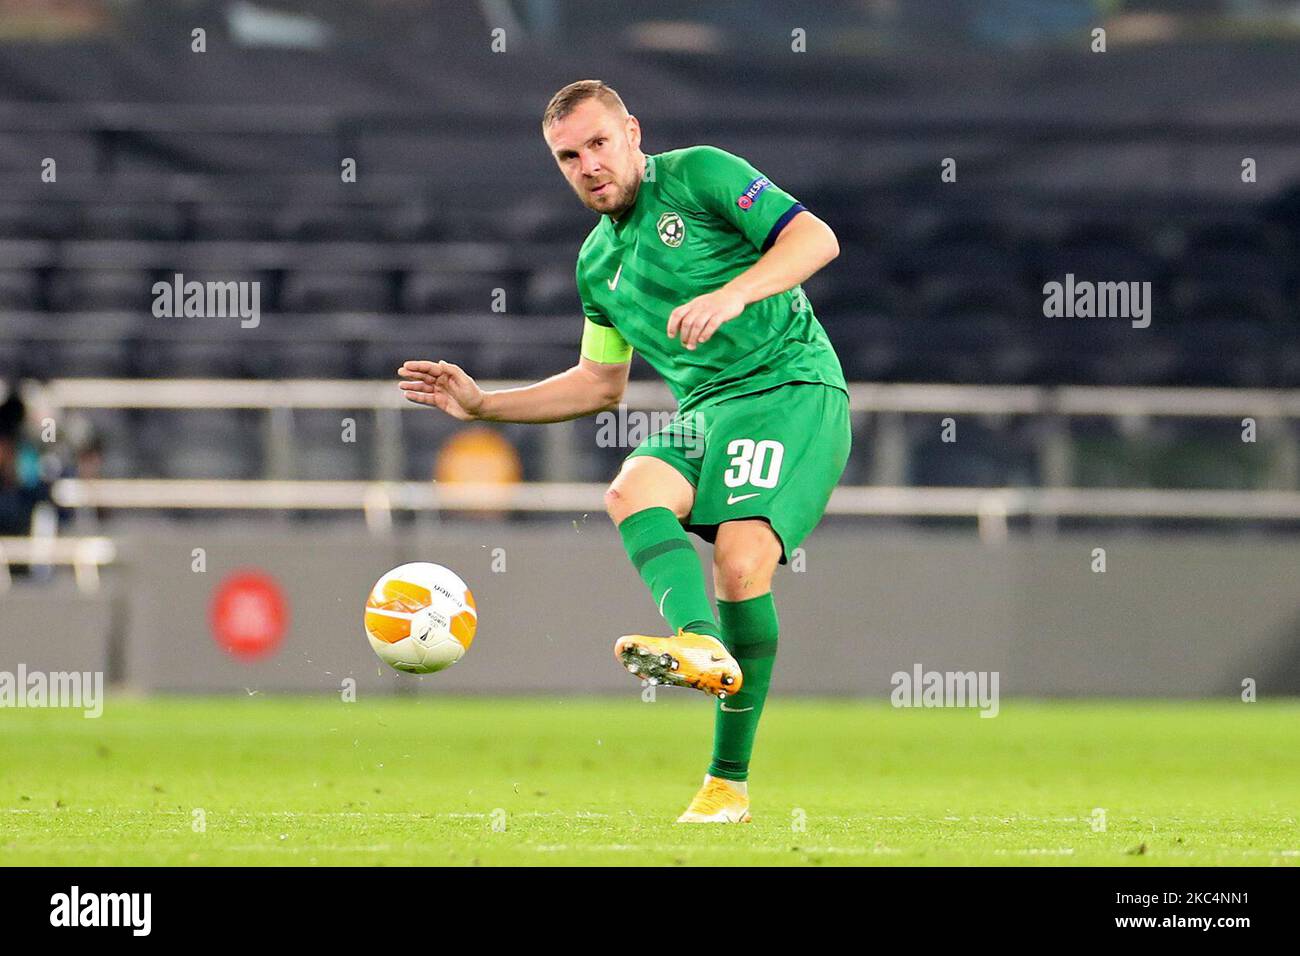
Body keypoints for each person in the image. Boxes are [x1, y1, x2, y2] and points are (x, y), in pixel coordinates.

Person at [398, 80, 850, 823]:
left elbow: (815, 238)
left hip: (789, 387)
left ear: (632, 133)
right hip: (708, 411)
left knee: (739, 565)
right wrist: (483, 404)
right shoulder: (595, 266)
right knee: (628, 491)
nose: (588, 165)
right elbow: (600, 385)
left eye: (599, 144)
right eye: (568, 156)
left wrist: (734, 293)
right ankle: (700, 645)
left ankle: (726, 781)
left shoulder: (701, 174)